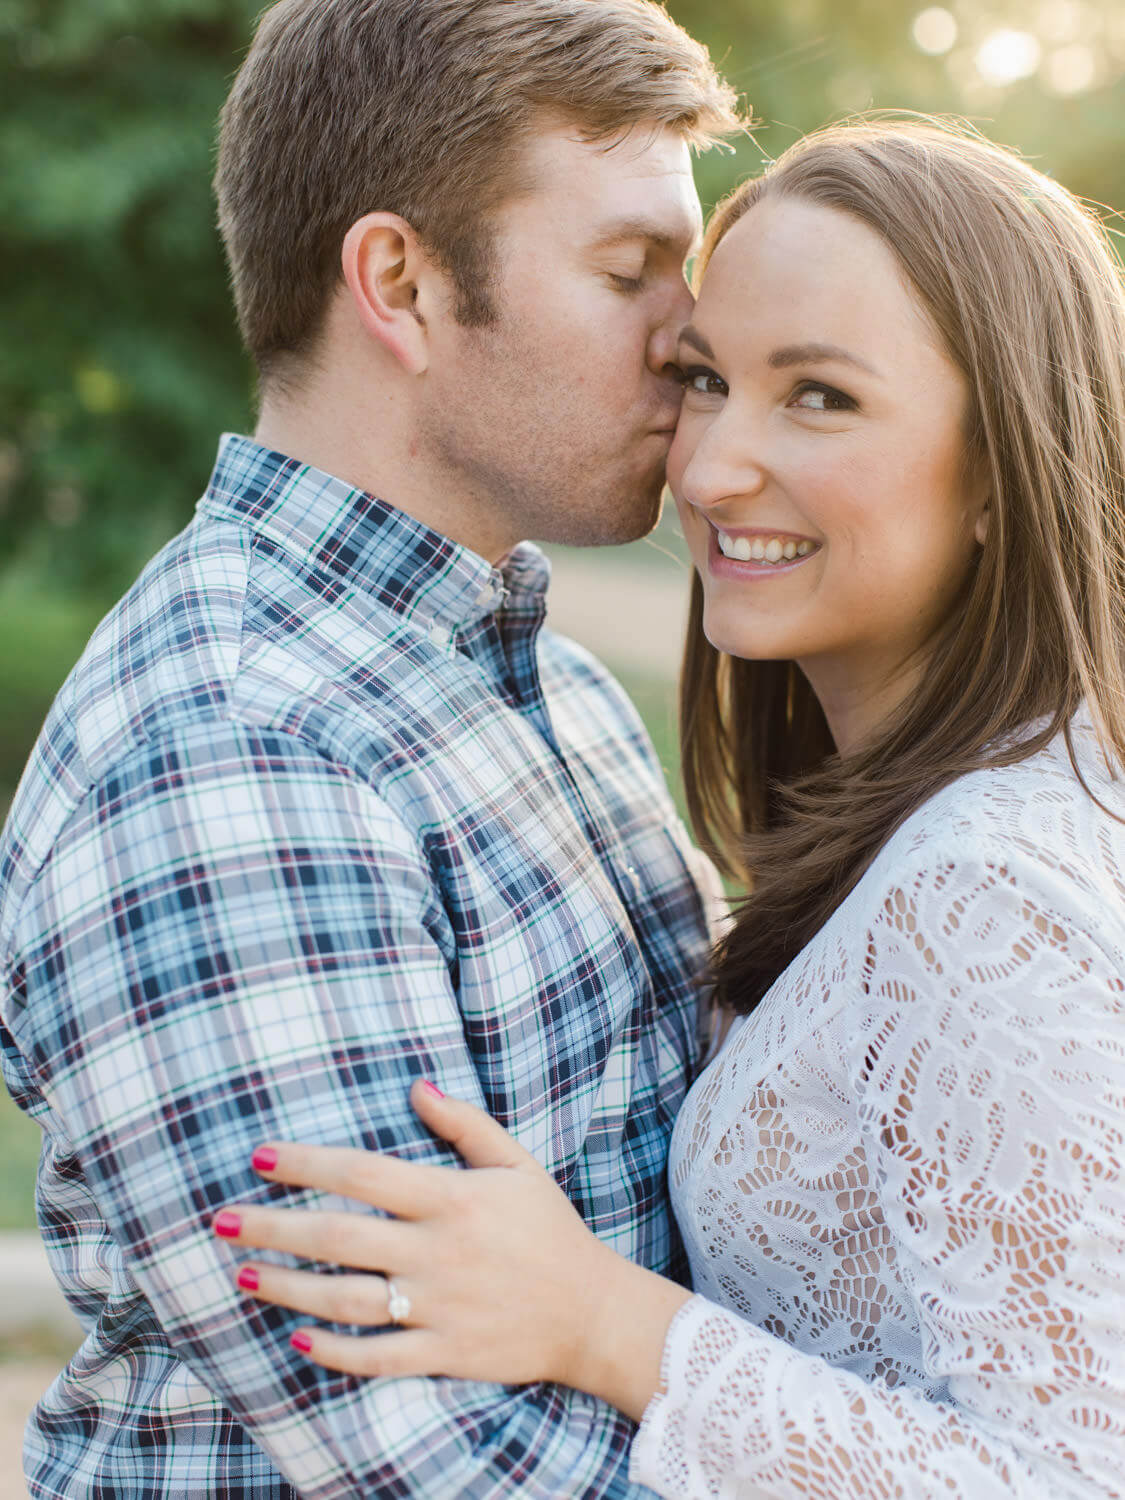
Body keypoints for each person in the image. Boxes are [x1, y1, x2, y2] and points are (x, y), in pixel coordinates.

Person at [219, 119, 1125, 1499]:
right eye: (704, 379)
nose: (705, 471)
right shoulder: (932, 805)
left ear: (1004, 462)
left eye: (818, 396)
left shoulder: (981, 890)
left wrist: (611, 1325)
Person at [0, 2, 742, 1494]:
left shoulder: (557, 690)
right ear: (399, 283)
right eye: (625, 270)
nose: (693, 335)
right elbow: (440, 1466)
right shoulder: (232, 753)